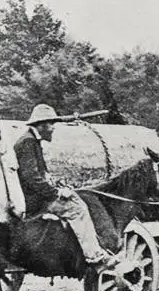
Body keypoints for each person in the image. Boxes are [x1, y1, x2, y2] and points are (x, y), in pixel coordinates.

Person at [14, 104, 119, 272]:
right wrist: (56, 192)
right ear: (42, 125)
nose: (53, 129)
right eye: (51, 124)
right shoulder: (28, 142)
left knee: (74, 198)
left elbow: (41, 174)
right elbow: (31, 178)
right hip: (34, 200)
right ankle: (95, 256)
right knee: (78, 208)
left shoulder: (30, 140)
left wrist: (58, 184)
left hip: (34, 195)